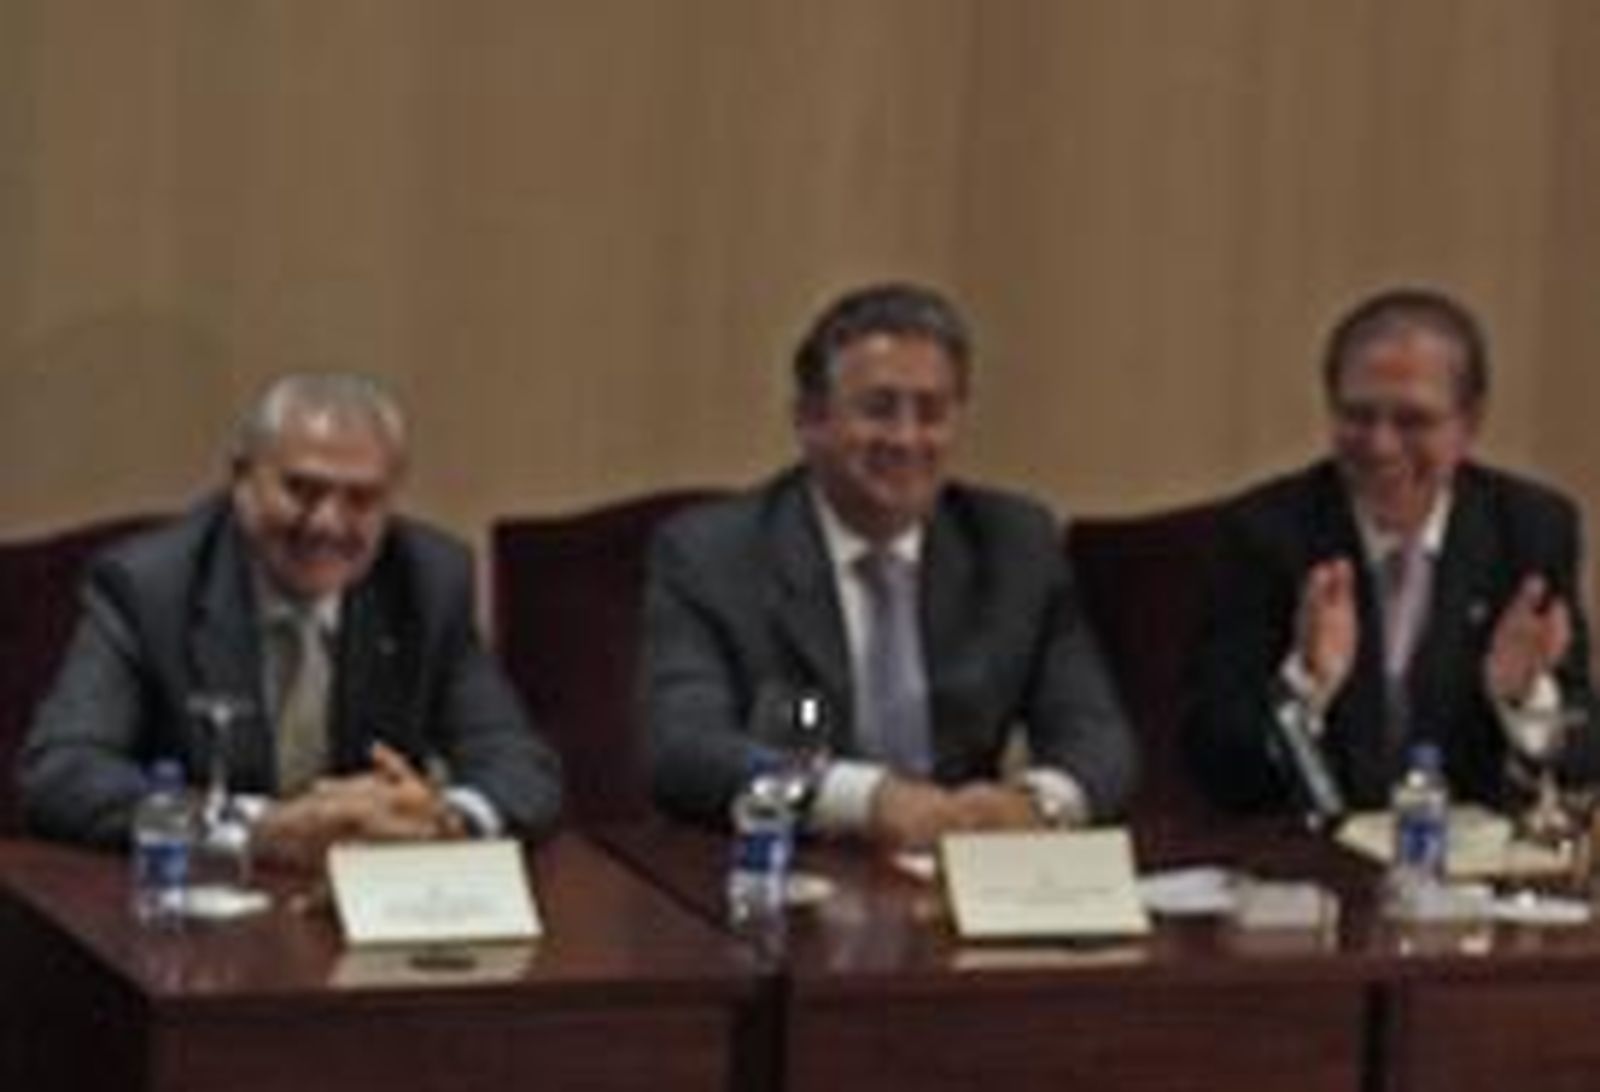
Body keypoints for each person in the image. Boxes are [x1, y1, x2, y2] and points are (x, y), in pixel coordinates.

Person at [642, 281, 1137, 845]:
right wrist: (862, 799)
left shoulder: (1014, 544)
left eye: (931, 413)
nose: (906, 439)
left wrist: (1037, 803)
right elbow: (686, 750)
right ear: (810, 420)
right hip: (796, 870)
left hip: (960, 876)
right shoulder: (713, 554)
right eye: (878, 410)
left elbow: (1097, 737)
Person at [20, 372, 563, 861]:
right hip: (201, 915)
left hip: (367, 915)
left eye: (361, 499)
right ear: (241, 479)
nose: (328, 522)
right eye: (302, 489)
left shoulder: (428, 580)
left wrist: (443, 819)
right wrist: (259, 828)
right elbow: (63, 773)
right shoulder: (149, 585)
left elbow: (520, 767)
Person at [1184, 287, 1597, 816]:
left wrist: (1525, 699)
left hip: (1471, 866)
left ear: (1469, 423)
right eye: (1358, 416)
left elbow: (1583, 754)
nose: (1380, 445)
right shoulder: (1266, 533)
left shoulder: (1528, 529)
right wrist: (1304, 685)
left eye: (1412, 421)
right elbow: (1214, 758)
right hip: (1317, 865)